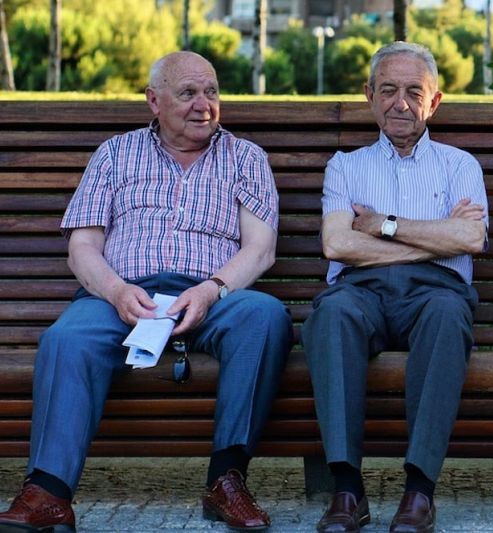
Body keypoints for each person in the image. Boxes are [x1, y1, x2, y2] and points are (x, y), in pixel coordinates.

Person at [0, 51, 293, 532]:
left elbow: (260, 249)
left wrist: (211, 290)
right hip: (119, 296)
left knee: (265, 316)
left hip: (210, 297)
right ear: (154, 101)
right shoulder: (116, 153)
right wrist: (116, 291)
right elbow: (83, 247)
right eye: (188, 93)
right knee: (65, 339)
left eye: (212, 91)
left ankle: (226, 481)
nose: (204, 104)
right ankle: (47, 495)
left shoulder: (246, 158)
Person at [302, 41, 487, 533]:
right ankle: (347, 491)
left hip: (436, 293)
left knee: (448, 317)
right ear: (369, 95)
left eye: (413, 92)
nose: (400, 103)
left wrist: (382, 225)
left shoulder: (459, 165)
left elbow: (470, 238)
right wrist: (435, 238)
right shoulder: (346, 165)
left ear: (434, 101)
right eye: (387, 90)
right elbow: (337, 245)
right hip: (359, 290)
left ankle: (419, 493)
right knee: (331, 315)